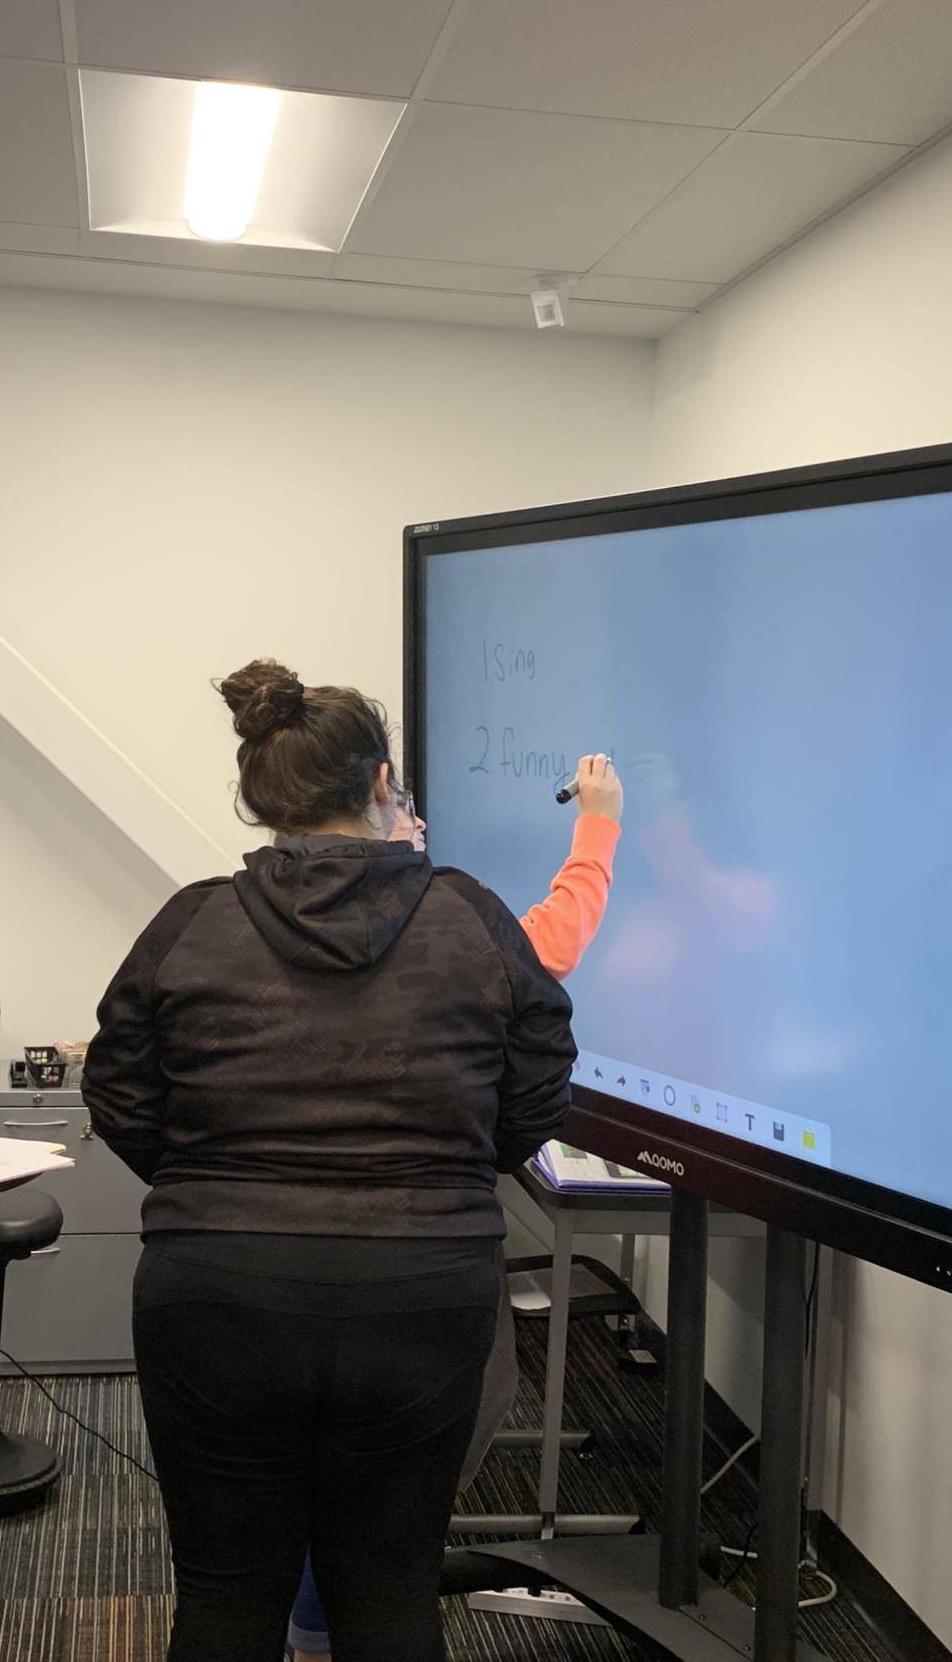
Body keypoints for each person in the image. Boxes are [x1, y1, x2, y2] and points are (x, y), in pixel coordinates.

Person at [82, 659, 580, 1662]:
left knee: (224, 1596)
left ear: (263, 796)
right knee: (392, 1591)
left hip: (216, 1289)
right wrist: (450, 1169)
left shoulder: (191, 921)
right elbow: (541, 1083)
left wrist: (207, 1184)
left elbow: (119, 1095)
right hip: (424, 1289)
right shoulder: (472, 918)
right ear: (382, 783)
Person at [286, 751, 623, 1661]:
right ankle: (355, 1600)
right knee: (427, 1440)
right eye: (407, 810)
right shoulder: (450, 925)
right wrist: (600, 823)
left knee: (310, 1456)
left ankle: (314, 1622)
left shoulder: (249, 921)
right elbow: (556, 938)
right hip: (422, 1259)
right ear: (368, 817)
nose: (422, 826)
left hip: (280, 1260)